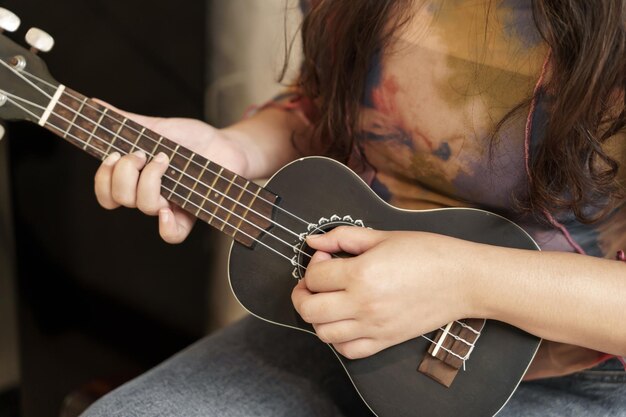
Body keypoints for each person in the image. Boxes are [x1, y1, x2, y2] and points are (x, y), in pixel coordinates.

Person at [82, 0, 626, 416]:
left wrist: (464, 280)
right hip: (345, 332)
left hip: (581, 365)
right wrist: (232, 148)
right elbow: (328, 100)